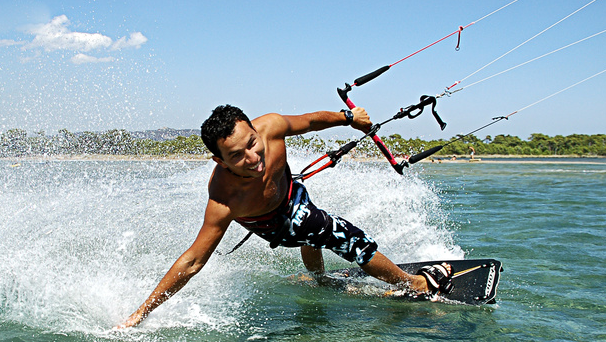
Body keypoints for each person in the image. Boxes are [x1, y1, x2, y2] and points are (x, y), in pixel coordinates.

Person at [116, 105, 453, 328]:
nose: (253, 157)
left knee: (312, 226)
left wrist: (349, 119)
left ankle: (319, 279)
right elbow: (192, 261)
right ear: (220, 161)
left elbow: (309, 122)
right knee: (333, 231)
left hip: (292, 192)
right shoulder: (224, 200)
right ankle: (415, 285)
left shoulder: (271, 127)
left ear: (254, 129)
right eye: (236, 156)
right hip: (272, 222)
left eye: (252, 142)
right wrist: (142, 312)